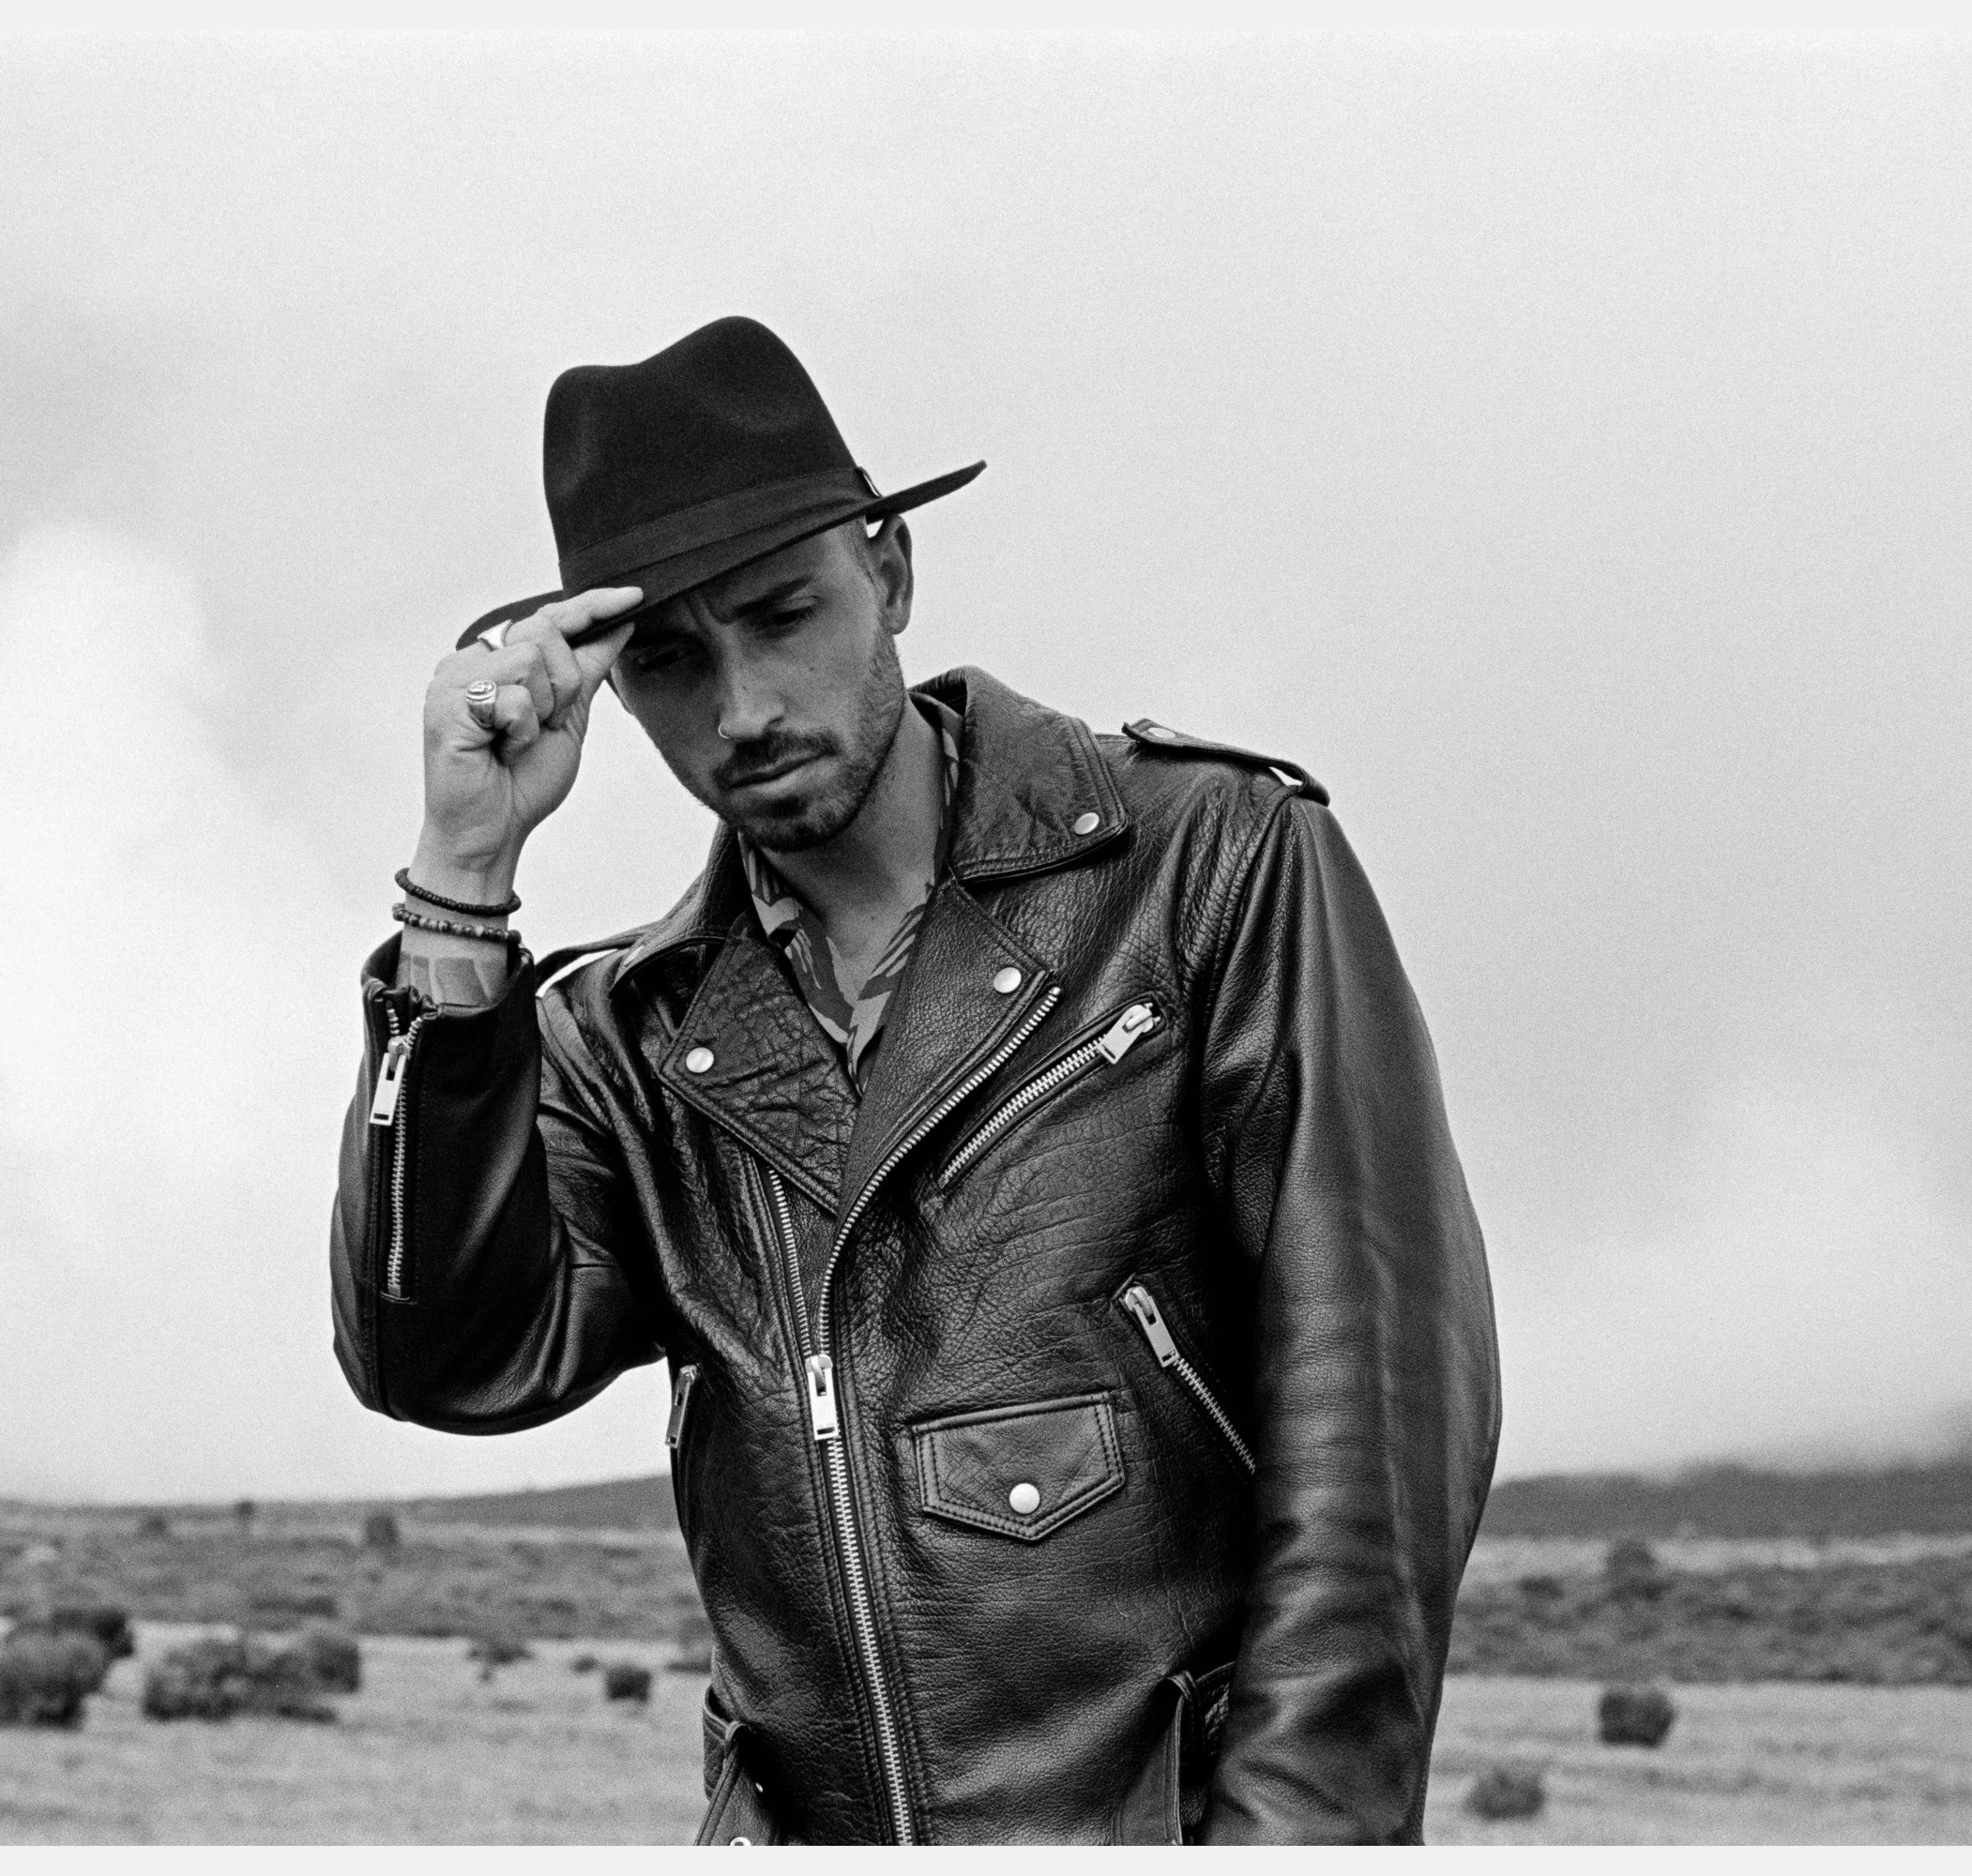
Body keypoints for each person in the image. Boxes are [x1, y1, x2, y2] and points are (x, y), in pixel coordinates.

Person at [329, 316, 1500, 1844]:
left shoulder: (1209, 868)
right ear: (611, 693)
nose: (741, 708)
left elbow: (1379, 1425)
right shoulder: (625, 1039)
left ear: (887, 571)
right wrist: (461, 881)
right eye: (671, 661)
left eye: (782, 613)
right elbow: (440, 1358)